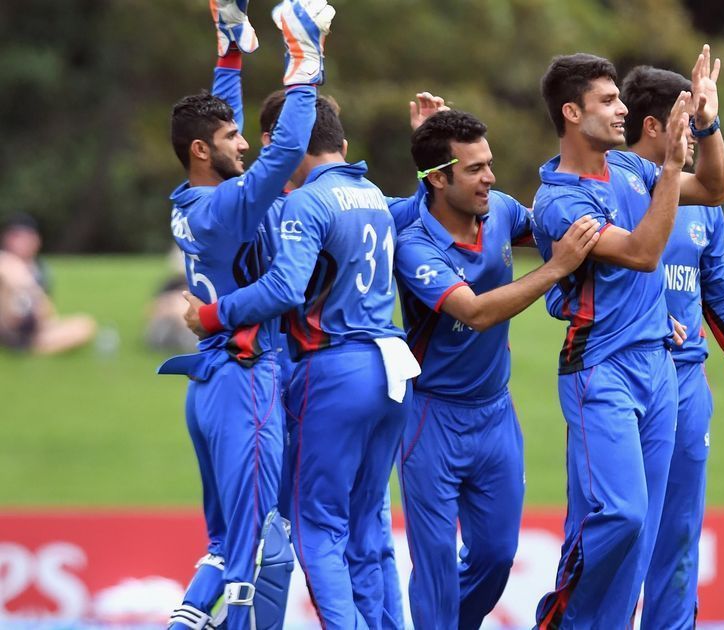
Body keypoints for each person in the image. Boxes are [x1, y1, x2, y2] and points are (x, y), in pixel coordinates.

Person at [186, 85, 418, 630]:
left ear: (277, 142)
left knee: (316, 528)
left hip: (334, 367)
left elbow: (287, 289)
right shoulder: (374, 193)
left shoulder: (305, 202)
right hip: (394, 366)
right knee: (371, 528)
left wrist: (215, 315)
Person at [530, 46, 724, 627]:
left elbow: (715, 189)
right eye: (608, 99)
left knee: (643, 534)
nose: (621, 109)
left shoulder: (628, 169)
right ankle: (561, 619)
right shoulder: (560, 199)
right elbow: (643, 254)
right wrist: (670, 166)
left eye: (620, 97)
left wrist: (707, 124)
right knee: (621, 515)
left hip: (657, 367)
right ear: (572, 113)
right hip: (601, 371)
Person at [391, 109, 600, 627]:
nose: (490, 178)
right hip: (431, 419)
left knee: (495, 557)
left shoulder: (503, 211)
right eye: (474, 169)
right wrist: (556, 270)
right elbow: (476, 313)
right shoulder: (416, 243)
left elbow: (557, 231)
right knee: (436, 568)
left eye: (490, 164)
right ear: (438, 179)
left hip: (494, 416)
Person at [161, 1, 330, 628]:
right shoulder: (228, 207)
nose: (244, 144)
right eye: (233, 140)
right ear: (203, 151)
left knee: (223, 542)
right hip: (245, 378)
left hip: (207, 388)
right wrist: (304, 65)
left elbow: (222, 126)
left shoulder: (191, 199)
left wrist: (229, 54)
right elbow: (287, 150)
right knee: (255, 548)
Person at [614, 64, 724, 627]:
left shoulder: (703, 198)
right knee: (623, 526)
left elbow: (718, 291)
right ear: (658, 125)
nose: (698, 133)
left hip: (688, 384)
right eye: (692, 121)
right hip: (624, 376)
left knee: (679, 534)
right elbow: (575, 282)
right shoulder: (615, 183)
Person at [0, 214, 97, 355]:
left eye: (25, 237)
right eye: (15, 236)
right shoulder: (5, 262)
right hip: (6, 323)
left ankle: (30, 347)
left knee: (85, 325)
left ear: (36, 240)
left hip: (32, 328)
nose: (20, 242)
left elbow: (46, 310)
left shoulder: (41, 271)